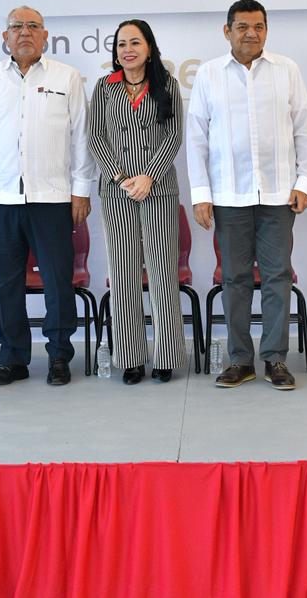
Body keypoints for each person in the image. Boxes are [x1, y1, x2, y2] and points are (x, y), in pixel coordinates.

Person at [187, 0, 307, 390]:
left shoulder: (286, 70)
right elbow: (196, 140)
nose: (251, 33)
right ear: (227, 31)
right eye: (242, 26)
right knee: (236, 279)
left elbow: (305, 130)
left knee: (277, 277)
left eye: (258, 26)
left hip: (279, 195)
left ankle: (276, 359)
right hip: (229, 196)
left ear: (266, 30)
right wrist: (201, 194)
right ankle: (240, 360)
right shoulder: (210, 74)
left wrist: (304, 182)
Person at [0, 5, 93, 387]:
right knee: (7, 283)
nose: (24, 32)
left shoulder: (67, 77)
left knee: (58, 280)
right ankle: (13, 358)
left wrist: (81, 191)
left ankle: (59, 356)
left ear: (45, 36)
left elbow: (81, 138)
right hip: (3, 199)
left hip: (53, 198)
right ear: (5, 36)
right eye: (16, 26)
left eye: (32, 26)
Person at [87, 19, 187, 384]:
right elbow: (96, 136)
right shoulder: (104, 87)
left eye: (135, 42)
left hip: (158, 189)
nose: (127, 49)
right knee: (124, 273)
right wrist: (120, 176)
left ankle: (167, 356)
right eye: (120, 44)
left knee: (162, 273)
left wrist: (149, 176)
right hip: (117, 191)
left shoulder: (167, 84)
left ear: (149, 48)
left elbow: (174, 135)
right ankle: (129, 356)